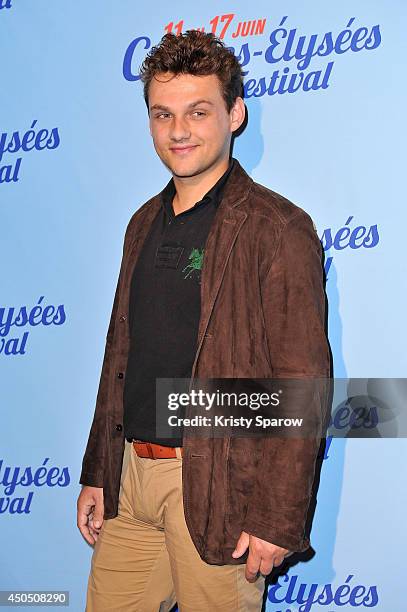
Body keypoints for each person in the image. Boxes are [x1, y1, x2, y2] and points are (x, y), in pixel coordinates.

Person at [77, 30, 331, 611]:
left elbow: (303, 383)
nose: (179, 131)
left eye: (198, 111)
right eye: (162, 114)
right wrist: (99, 469)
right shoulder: (141, 223)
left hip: (220, 485)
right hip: (130, 479)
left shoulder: (277, 228)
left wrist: (276, 516)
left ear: (235, 114)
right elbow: (120, 356)